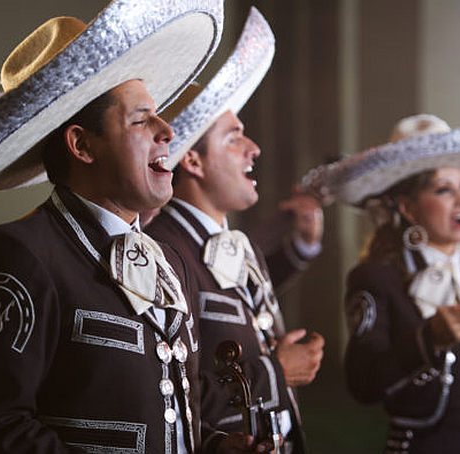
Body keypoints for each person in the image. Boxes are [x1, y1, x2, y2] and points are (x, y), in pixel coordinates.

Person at [0, 1, 268, 453]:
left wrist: (213, 447)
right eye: (141, 119)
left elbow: (163, 410)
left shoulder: (170, 260)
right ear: (81, 145)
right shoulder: (15, 256)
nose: (168, 131)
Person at [303, 114, 460, 453]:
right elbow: (363, 384)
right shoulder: (376, 278)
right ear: (408, 208)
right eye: (444, 189)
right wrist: (430, 339)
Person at [144, 8, 324, 453]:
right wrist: (276, 371)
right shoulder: (167, 251)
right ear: (193, 160)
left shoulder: (226, 242)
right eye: (234, 136)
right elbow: (165, 387)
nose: (254, 148)